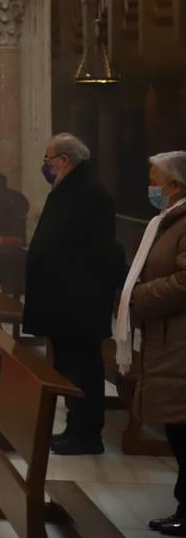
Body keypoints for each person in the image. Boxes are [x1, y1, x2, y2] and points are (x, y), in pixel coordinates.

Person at [23, 132, 124, 455]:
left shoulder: (89, 194)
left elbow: (93, 253)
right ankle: (74, 428)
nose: (46, 166)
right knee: (68, 368)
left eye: (47, 160)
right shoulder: (71, 190)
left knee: (83, 369)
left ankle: (87, 435)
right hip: (65, 303)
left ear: (63, 160)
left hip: (78, 304)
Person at [115, 151, 186, 534]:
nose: (151, 188)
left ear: (176, 185)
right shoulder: (168, 221)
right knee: (178, 427)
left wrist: (140, 296)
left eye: (155, 180)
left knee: (183, 427)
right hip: (168, 339)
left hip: (180, 341)